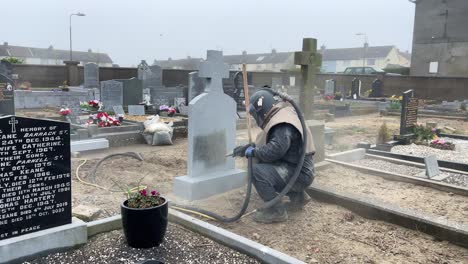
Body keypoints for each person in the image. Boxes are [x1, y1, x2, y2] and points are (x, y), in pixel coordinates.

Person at [233, 89, 316, 223]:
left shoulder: (281, 123)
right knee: (267, 165)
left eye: (256, 114)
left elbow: (275, 151)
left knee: (257, 171)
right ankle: (299, 198)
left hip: (299, 174)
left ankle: (276, 211)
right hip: (301, 169)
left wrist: (253, 152)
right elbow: (277, 145)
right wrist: (247, 149)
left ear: (262, 110)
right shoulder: (284, 114)